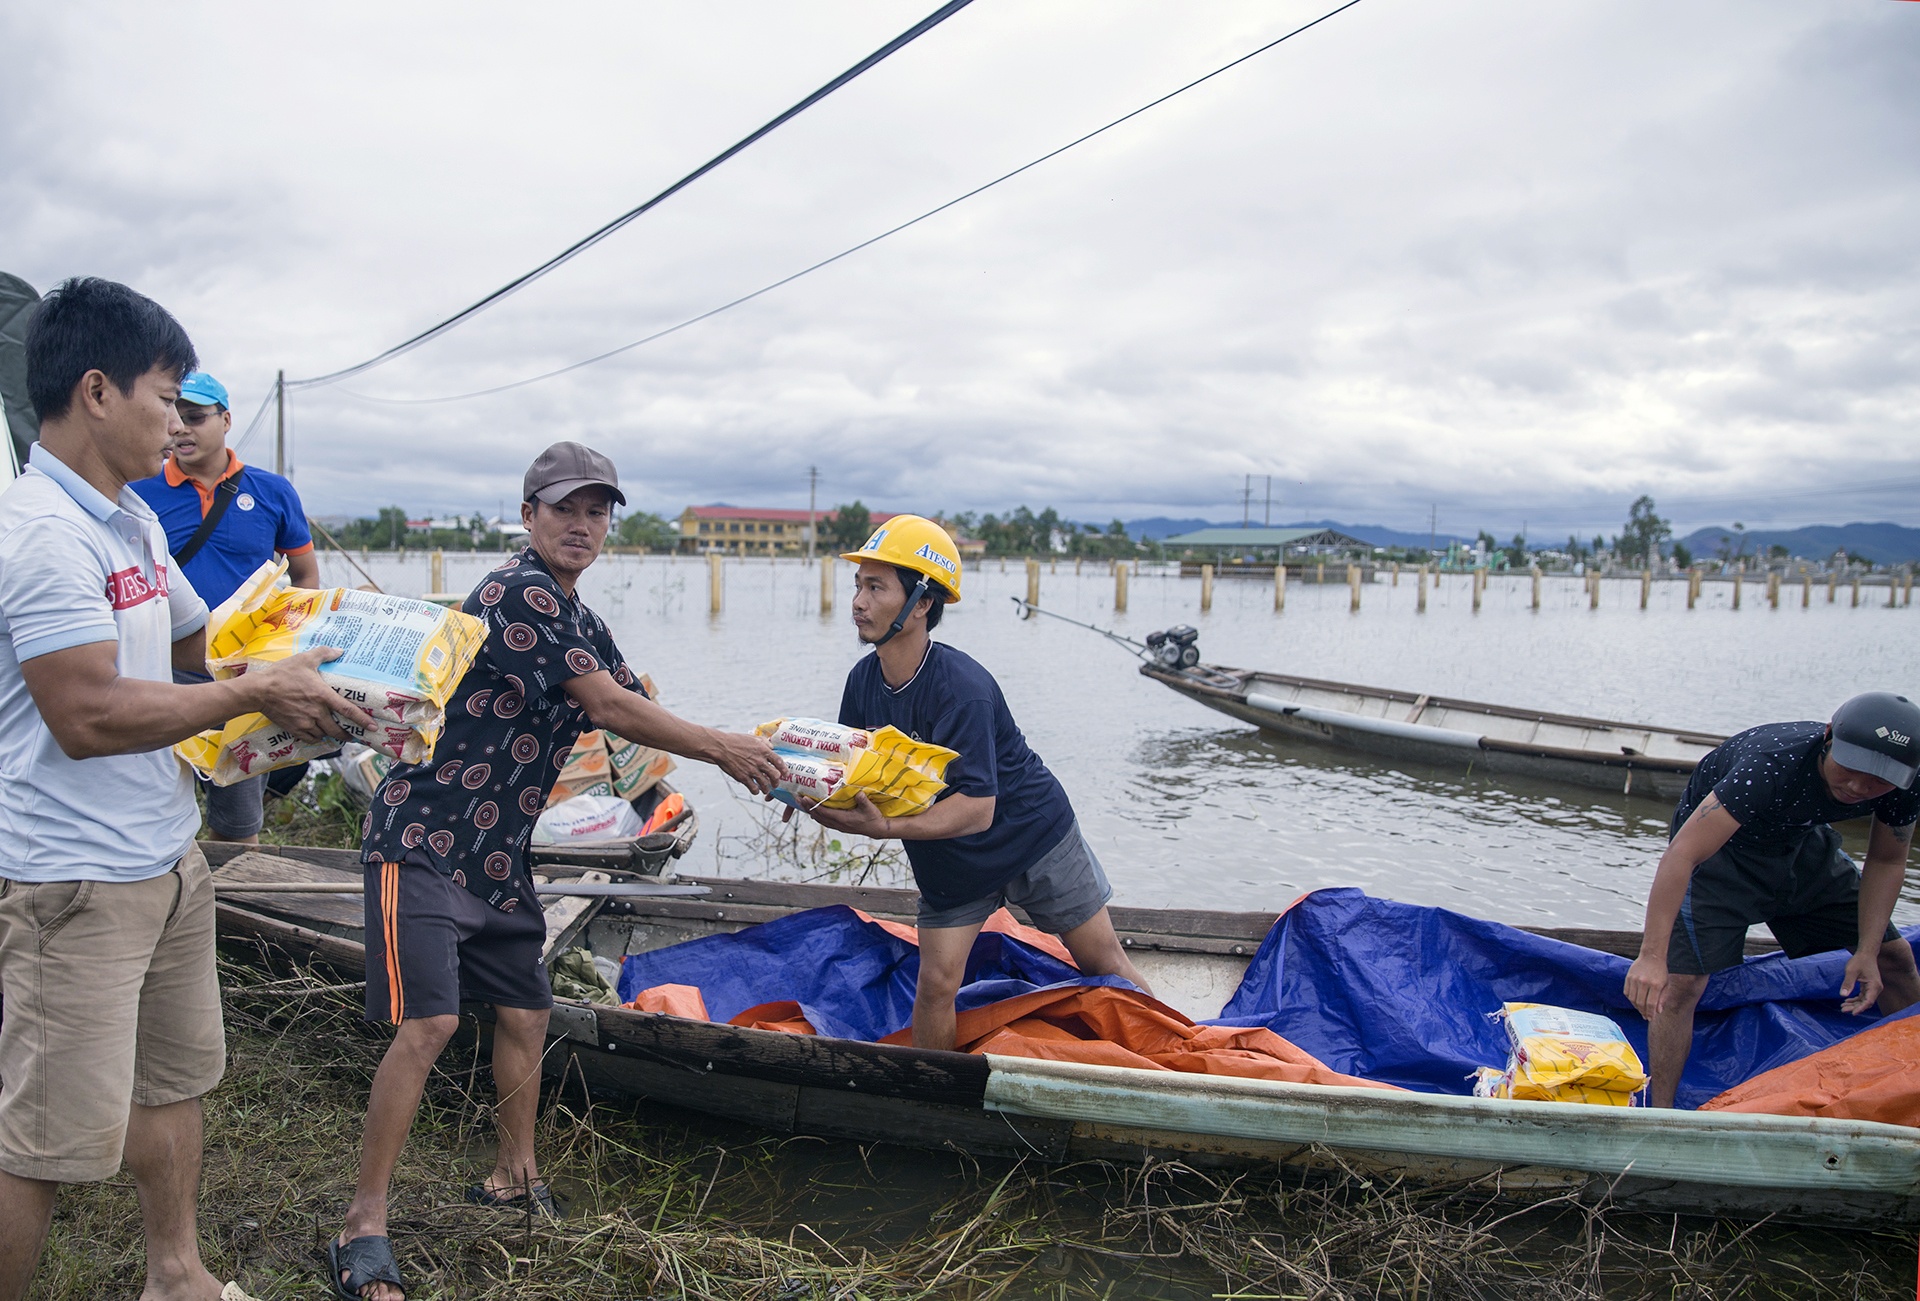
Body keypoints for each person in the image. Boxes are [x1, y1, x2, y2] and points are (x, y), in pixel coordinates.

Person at [330, 441, 786, 1301]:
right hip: (423, 838)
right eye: (565, 508)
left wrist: (775, 751)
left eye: (597, 511)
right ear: (530, 514)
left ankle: (514, 1175)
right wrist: (723, 749)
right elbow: (607, 706)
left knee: (528, 1014)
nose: (582, 525)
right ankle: (364, 1225)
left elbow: (633, 703)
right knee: (427, 1027)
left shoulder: (578, 613)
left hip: (498, 856)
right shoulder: (516, 591)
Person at [0, 277, 372, 1301]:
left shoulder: (128, 522)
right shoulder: (43, 534)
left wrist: (328, 661)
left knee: (175, 1079)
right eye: (166, 396)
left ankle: (178, 1273)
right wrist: (252, 691)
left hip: (163, 854)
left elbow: (199, 641)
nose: (179, 420)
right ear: (96, 392)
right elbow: (90, 714)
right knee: (41, 1136)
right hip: (71, 882)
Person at [796, 515, 1151, 1052]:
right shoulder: (861, 682)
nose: (859, 602)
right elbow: (851, 769)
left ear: (920, 604)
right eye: (858, 585)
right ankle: (933, 1096)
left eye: (876, 587)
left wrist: (887, 827)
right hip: (949, 857)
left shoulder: (963, 688)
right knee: (936, 984)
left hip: (1032, 835)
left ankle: (1181, 1057)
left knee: (1103, 961)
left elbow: (979, 808)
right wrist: (802, 789)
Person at [1625, 692, 1920, 1107]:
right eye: (1850, 768)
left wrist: (1868, 950)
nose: (1858, 787)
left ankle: (1913, 1085)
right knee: (1681, 985)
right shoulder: (1770, 765)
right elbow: (1683, 853)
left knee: (1897, 959)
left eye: (1877, 780)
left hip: (1801, 843)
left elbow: (1887, 860)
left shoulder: (1905, 781)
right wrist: (1652, 956)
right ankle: (1662, 1116)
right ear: (1829, 737)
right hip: (1720, 855)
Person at [132, 370, 319, 845]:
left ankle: (230, 907)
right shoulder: (140, 488)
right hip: (161, 669)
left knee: (237, 821)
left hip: (242, 673)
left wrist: (283, 651)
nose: (181, 429)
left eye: (195, 417)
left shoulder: (272, 491)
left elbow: (305, 577)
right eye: (175, 416)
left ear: (226, 420)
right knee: (148, 804)